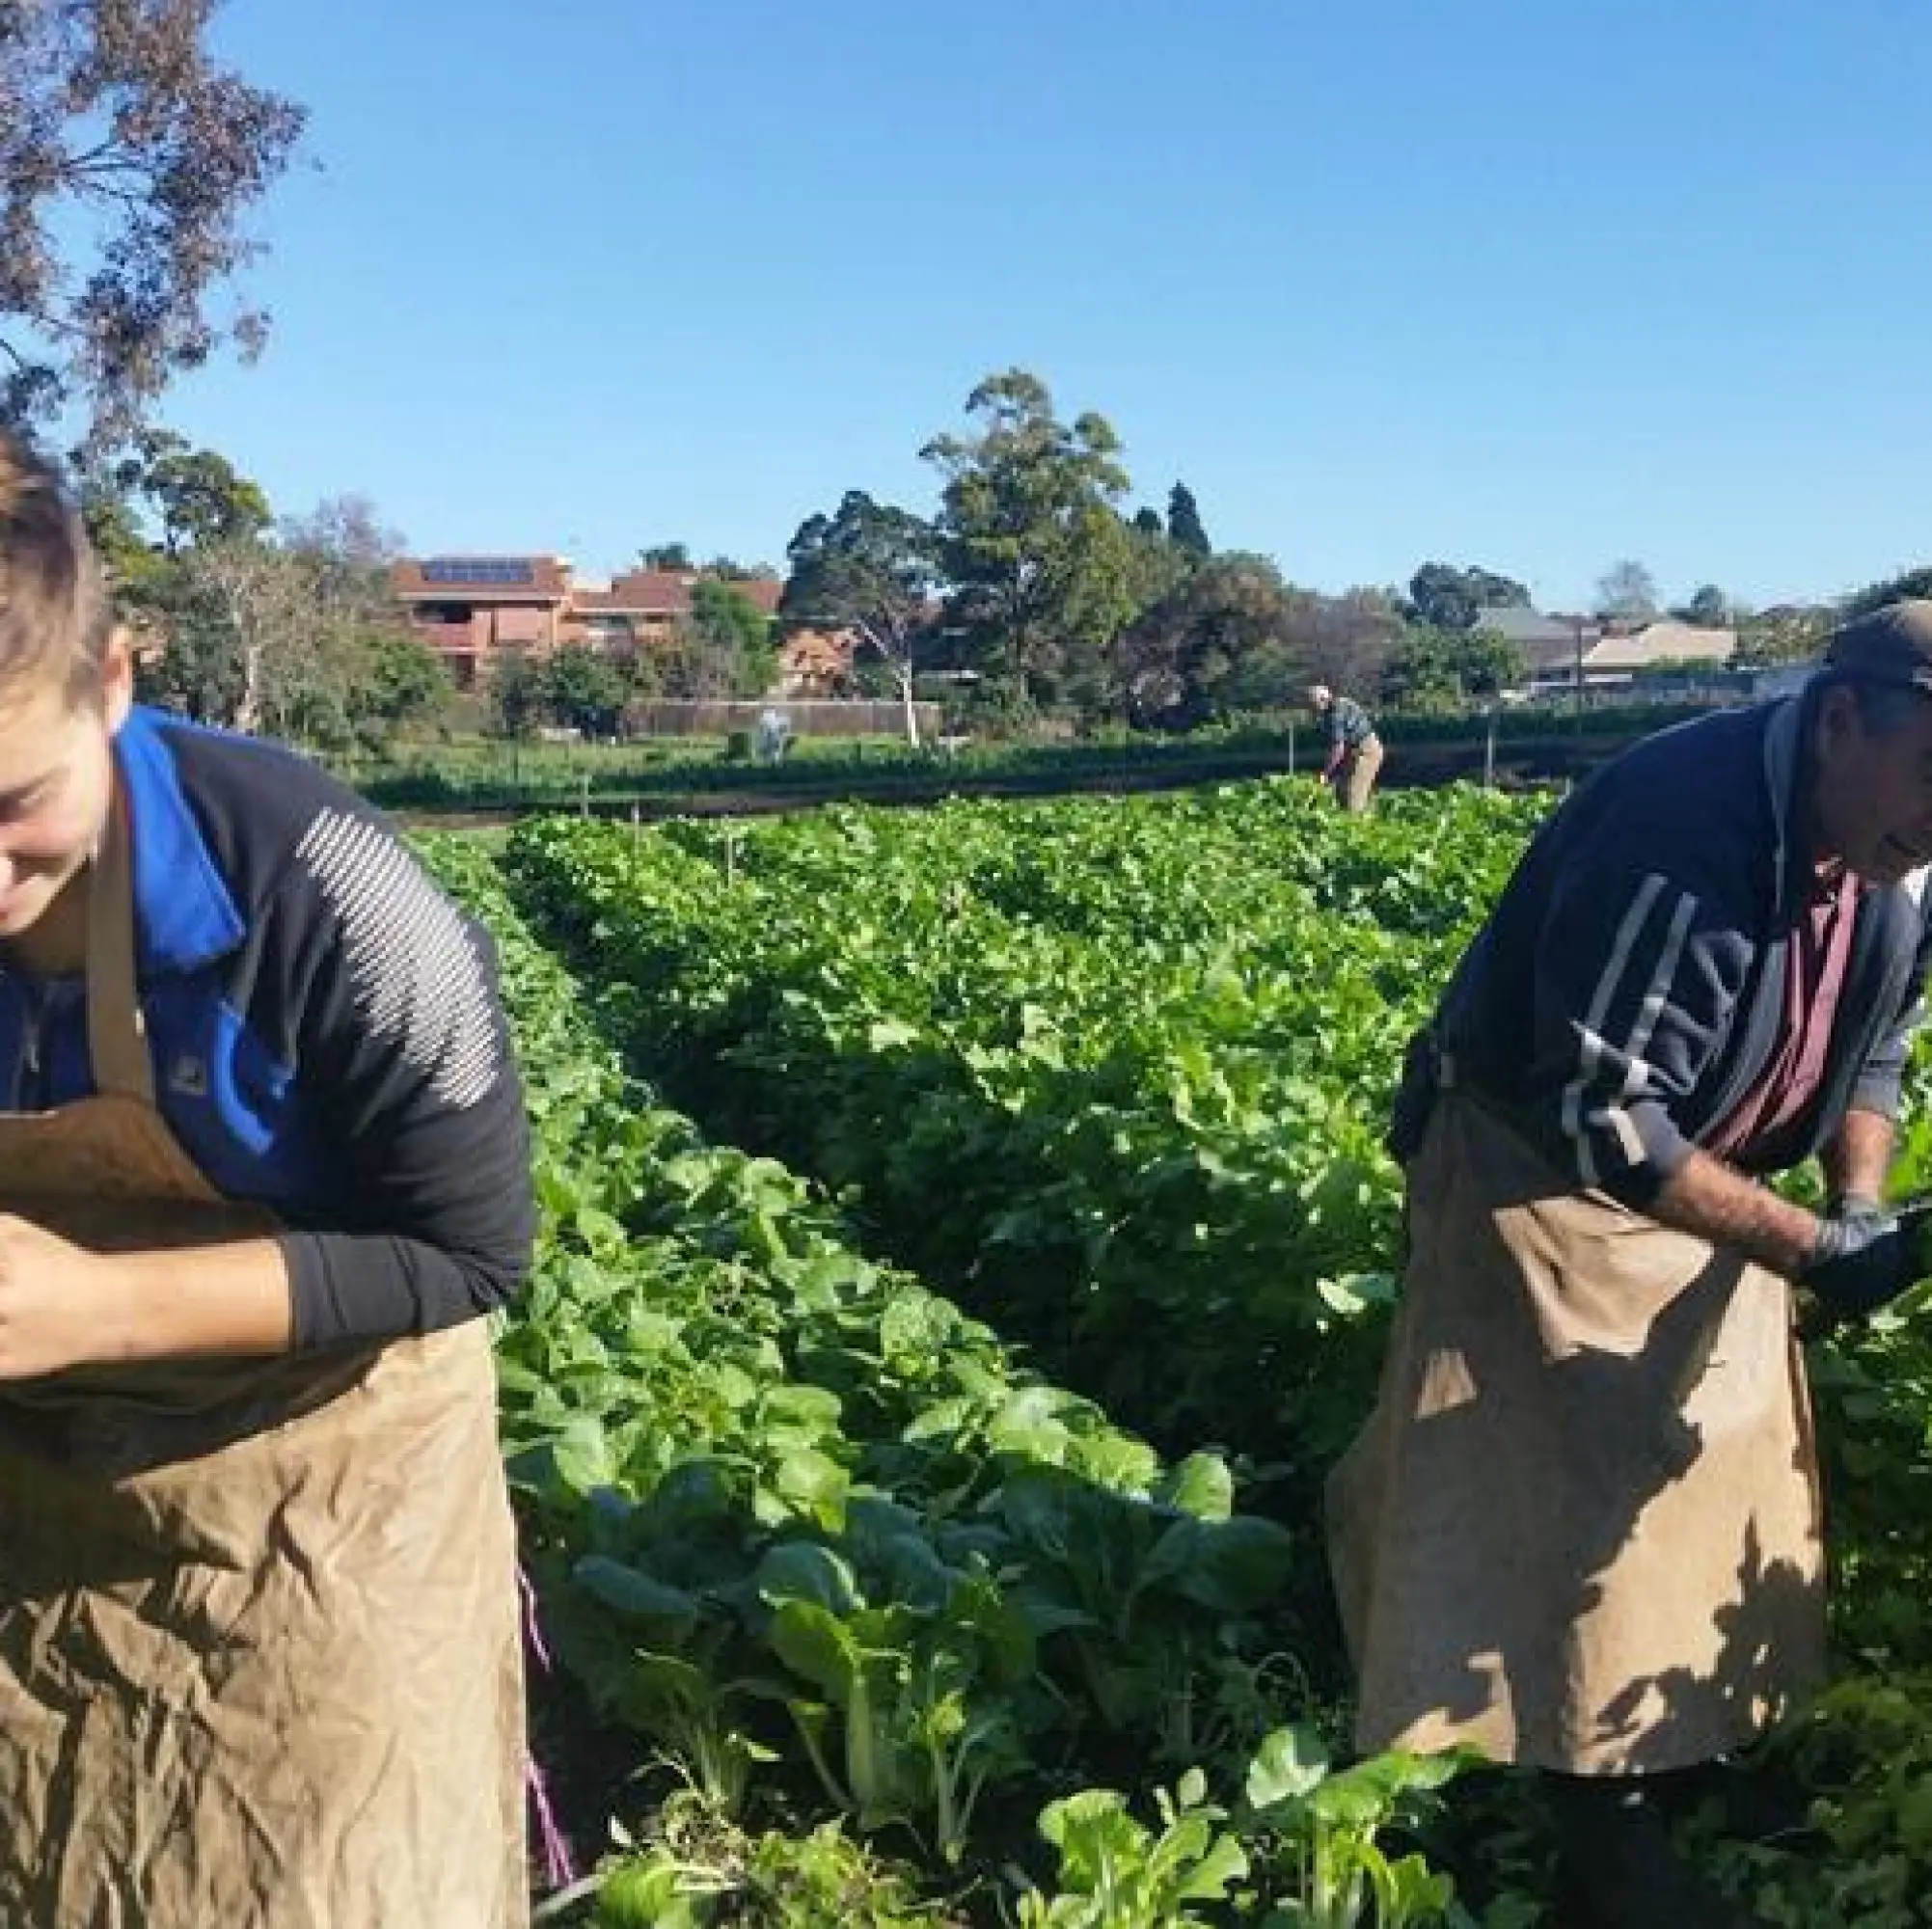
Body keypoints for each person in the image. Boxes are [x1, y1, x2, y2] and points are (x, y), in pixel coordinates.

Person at [1326, 601, 1932, 1927]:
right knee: (1569, 1485)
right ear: (1838, 721)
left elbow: (1872, 1053)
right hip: (1537, 1179)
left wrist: (1858, 1205)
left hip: (1699, 1177)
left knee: (1714, 1467)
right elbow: (1602, 1119)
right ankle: (1599, 1838)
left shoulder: (1895, 851)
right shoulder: (1685, 833)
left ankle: (1691, 1748)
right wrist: (1812, 1253)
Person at [0, 430, 535, 1924]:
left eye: (11, 804)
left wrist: (97, 1308)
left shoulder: (330, 893)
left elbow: (469, 1252)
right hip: (32, 1492)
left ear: (113, 681)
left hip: (325, 1508)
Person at [1310, 682, 1384, 812]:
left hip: (1367, 752)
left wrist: (1326, 773)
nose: (1314, 708)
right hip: (1354, 752)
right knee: (1341, 791)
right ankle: (1362, 818)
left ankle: (1357, 827)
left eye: (1315, 704)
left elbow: (1339, 748)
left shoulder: (1335, 714)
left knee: (1353, 798)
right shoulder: (1339, 704)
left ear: (1322, 700)